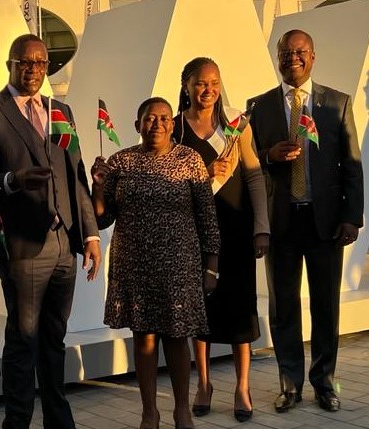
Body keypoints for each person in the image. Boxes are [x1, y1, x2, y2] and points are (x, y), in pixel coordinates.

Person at [0, 33, 101, 429]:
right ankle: (18, 421)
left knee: (54, 339)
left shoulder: (62, 110)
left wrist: (90, 235)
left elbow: (75, 176)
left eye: (40, 63)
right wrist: (12, 180)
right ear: (10, 64)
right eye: (25, 62)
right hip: (24, 246)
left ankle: (59, 419)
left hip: (64, 243)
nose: (33, 70)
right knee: (24, 340)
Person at [247, 29, 363, 413]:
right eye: (285, 52)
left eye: (299, 52)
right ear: (277, 58)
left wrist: (352, 217)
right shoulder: (259, 107)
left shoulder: (337, 104)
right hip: (281, 223)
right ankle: (289, 383)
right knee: (283, 308)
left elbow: (352, 167)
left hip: (325, 222)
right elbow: (247, 166)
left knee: (326, 306)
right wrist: (269, 156)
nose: (292, 58)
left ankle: (325, 383)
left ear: (312, 56)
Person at [91, 97, 220, 429]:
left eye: (164, 118)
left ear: (172, 124)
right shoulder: (121, 162)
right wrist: (98, 187)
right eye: (150, 119)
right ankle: (150, 411)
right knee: (144, 338)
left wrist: (211, 265)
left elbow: (207, 217)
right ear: (137, 125)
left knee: (177, 337)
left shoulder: (189, 160)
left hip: (179, 265)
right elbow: (102, 220)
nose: (157, 124)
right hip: (135, 265)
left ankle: (181, 410)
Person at [173, 57, 270, 422]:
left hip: (237, 229)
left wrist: (262, 226)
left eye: (214, 82)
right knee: (200, 309)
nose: (208, 90)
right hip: (192, 232)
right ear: (186, 85)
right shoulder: (174, 129)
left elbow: (255, 176)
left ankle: (242, 386)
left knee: (239, 305)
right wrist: (204, 174)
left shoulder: (235, 125)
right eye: (200, 83)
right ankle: (204, 383)